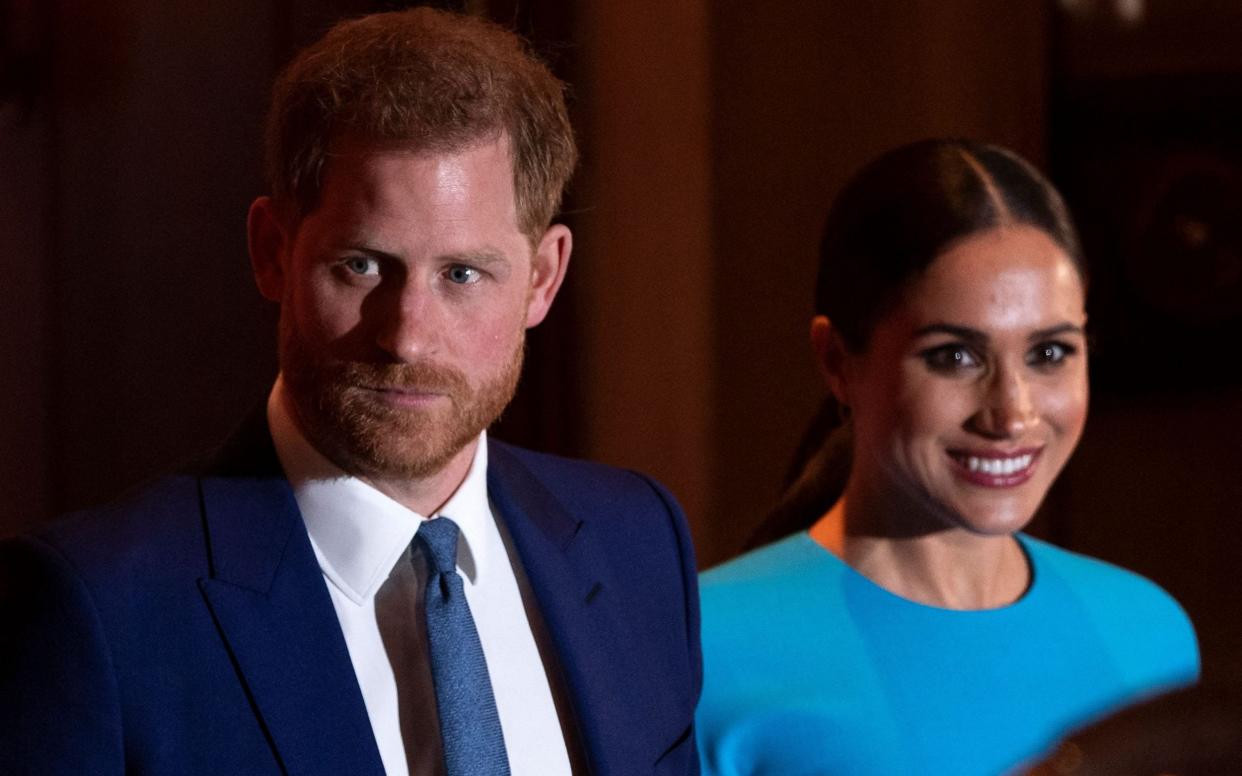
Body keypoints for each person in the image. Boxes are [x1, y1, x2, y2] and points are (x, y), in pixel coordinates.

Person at [0, 9, 700, 776]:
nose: (405, 336)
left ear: (542, 277)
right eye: (362, 266)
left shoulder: (638, 543)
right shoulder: (102, 611)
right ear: (273, 253)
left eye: (462, 275)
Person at [694, 139, 1199, 776]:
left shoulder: (1149, 634)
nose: (1011, 414)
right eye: (955, 356)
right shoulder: (703, 650)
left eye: (1049, 353)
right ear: (838, 362)